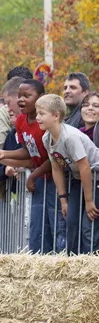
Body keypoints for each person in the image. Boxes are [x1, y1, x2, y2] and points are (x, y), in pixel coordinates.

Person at [0, 79, 65, 253]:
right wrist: (3, 154)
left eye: (27, 96)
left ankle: (61, 260)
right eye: (19, 96)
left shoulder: (45, 124)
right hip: (40, 179)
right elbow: (28, 151)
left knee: (57, 223)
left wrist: (32, 175)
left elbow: (53, 156)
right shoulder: (21, 120)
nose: (21, 100)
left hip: (57, 178)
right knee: (37, 225)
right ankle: (40, 261)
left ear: (41, 98)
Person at [39, 94, 99, 254]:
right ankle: (73, 262)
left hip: (95, 179)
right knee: (71, 223)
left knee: (89, 226)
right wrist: (63, 199)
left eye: (41, 113)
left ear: (56, 115)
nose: (37, 117)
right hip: (80, 180)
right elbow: (56, 167)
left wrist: (89, 200)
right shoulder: (47, 138)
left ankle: (92, 265)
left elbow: (85, 167)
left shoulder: (70, 137)